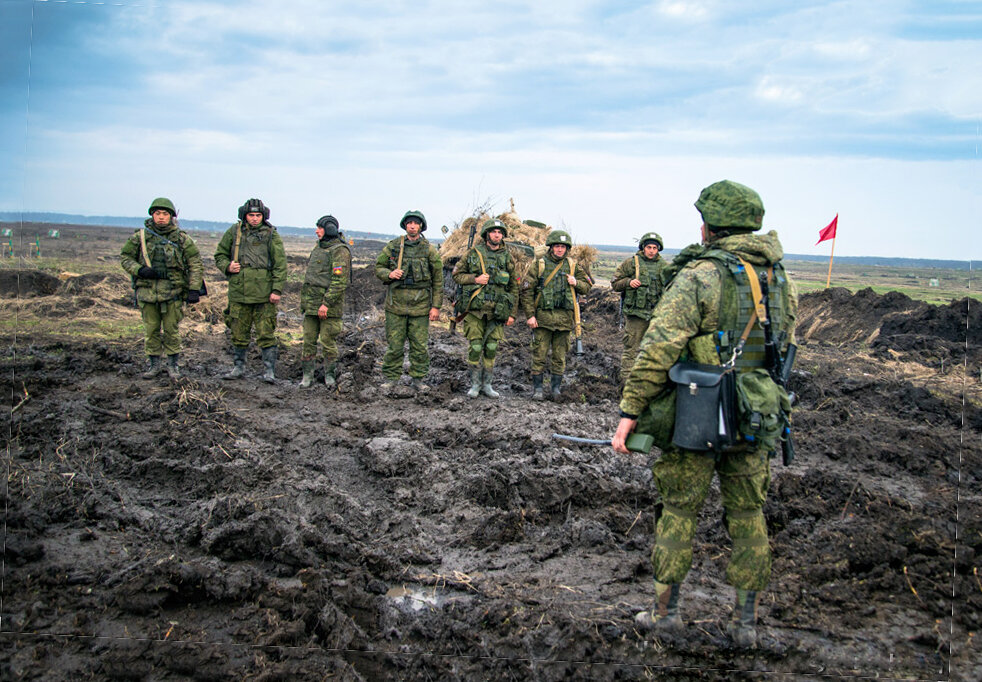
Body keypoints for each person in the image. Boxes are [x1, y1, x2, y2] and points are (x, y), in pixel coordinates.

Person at [611, 180, 798, 648]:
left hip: (699, 409)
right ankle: (745, 625)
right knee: (750, 514)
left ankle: (665, 615)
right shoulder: (780, 279)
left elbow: (657, 349)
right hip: (755, 413)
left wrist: (630, 412)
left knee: (677, 510)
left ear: (710, 226)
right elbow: (784, 345)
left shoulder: (701, 275)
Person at [120, 197, 203, 380]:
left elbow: (195, 263)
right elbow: (125, 258)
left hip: (172, 292)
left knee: (172, 331)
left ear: (171, 216)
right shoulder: (140, 238)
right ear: (152, 215)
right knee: (151, 331)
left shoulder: (181, 239)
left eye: (165, 214)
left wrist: (194, 289)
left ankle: (173, 366)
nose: (161, 217)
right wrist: (140, 270)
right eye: (157, 213)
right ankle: (154, 365)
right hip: (147, 292)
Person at [214, 198, 287, 382]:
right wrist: (227, 266)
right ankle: (238, 367)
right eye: (251, 215)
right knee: (238, 332)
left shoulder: (271, 235)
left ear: (264, 216)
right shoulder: (234, 232)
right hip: (240, 292)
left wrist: (276, 290)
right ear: (244, 216)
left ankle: (269, 370)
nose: (254, 219)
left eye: (258, 215)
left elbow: (280, 264)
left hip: (264, 294)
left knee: (266, 334)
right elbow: (220, 254)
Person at [374, 210, 443, 391]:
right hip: (396, 305)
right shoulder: (394, 246)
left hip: (420, 306)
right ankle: (391, 379)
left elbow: (438, 280)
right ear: (405, 225)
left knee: (419, 347)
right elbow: (379, 267)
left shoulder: (429, 250)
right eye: (409, 222)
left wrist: (435, 306)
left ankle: (418, 379)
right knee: (394, 345)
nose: (412, 225)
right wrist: (389, 274)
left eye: (416, 223)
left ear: (421, 226)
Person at [520, 230, 592, 400]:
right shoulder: (539, 265)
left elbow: (588, 285)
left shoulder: (573, 266)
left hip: (564, 321)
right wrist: (530, 315)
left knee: (559, 357)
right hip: (543, 320)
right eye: (557, 246)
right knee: (539, 355)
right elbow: (526, 291)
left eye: (563, 247)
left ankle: (555, 390)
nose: (560, 250)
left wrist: (577, 283)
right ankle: (537, 389)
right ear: (551, 247)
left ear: (567, 249)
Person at [451, 218, 519, 398]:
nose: (497, 235)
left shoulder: (507, 257)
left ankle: (487, 385)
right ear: (487, 234)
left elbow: (513, 286)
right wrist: (475, 279)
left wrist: (511, 313)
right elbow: (457, 275)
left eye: (500, 232)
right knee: (474, 347)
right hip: (475, 310)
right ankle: (474, 385)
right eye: (493, 232)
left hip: (497, 311)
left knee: (490, 347)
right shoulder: (473, 253)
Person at [299, 215, 351, 388]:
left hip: (329, 308)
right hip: (311, 304)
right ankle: (307, 376)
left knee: (328, 342)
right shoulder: (319, 247)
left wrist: (326, 303)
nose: (316, 231)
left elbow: (339, 281)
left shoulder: (339, 251)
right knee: (308, 341)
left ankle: (330, 376)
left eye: (320, 228)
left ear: (329, 229)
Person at [611, 232, 668, 383]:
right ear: (643, 247)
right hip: (636, 315)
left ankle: (649, 384)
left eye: (654, 248)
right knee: (631, 350)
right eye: (649, 247)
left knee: (654, 352)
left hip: (656, 316)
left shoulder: (664, 267)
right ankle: (626, 385)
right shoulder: (631, 263)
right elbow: (615, 283)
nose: (651, 250)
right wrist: (628, 282)